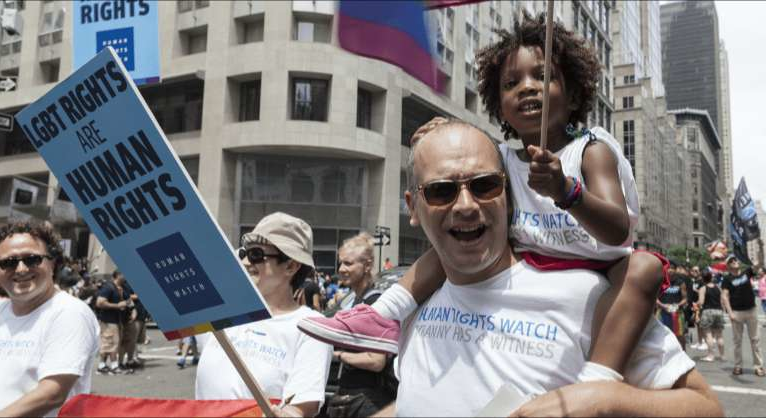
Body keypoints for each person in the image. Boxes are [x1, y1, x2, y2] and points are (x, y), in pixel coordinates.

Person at [300, 11, 667, 383]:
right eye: (511, 83)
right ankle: (385, 314)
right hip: (527, 264)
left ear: (573, 94)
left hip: (599, 267)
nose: (527, 87)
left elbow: (617, 230)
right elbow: (473, 160)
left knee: (644, 268)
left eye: (543, 76)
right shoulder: (504, 160)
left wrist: (566, 191)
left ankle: (600, 379)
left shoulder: (590, 150)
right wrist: (452, 132)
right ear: (498, 103)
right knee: (460, 237)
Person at [344, 114, 719, 415]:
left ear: (507, 195)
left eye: (484, 185)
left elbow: (705, 408)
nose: (465, 205)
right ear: (412, 207)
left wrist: (603, 400)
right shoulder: (416, 302)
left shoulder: (591, 298)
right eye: (442, 191)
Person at [195, 212, 332, 418]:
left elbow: (301, 406)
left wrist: (288, 414)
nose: (246, 262)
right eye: (244, 253)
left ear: (291, 266)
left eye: (256, 255)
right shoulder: (222, 313)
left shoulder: (311, 327)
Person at [0, 221, 99, 416]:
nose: (21, 269)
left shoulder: (69, 313)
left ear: (52, 263)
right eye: (8, 262)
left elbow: (51, 394)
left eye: (32, 259)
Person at [326, 233, 397, 417]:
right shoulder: (355, 300)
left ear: (367, 266)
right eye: (341, 263)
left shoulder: (375, 303)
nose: (341, 269)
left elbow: (376, 360)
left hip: (367, 401)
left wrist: (339, 355)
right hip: (352, 396)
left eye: (348, 263)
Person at [721, 255, 764, 376]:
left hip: (751, 310)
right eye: (731, 261)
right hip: (737, 313)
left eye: (735, 260)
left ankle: (758, 366)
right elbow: (724, 296)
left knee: (755, 340)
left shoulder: (746, 273)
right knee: (737, 342)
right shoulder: (727, 279)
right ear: (728, 266)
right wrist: (730, 313)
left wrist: (759, 251)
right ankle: (738, 365)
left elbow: (757, 265)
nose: (735, 261)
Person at [94, 270, 132, 375]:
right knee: (112, 343)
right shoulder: (108, 287)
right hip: (108, 320)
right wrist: (117, 306)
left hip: (116, 320)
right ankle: (113, 366)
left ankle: (103, 366)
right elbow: (99, 303)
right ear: (118, 275)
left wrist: (129, 306)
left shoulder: (120, 287)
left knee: (109, 343)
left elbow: (126, 300)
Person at [656, 263, 688, 349]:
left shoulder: (680, 283)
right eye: (668, 268)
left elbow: (685, 299)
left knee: (680, 335)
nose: (670, 270)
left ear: (676, 270)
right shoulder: (661, 282)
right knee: (661, 335)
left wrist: (677, 305)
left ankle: (683, 353)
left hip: (677, 313)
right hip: (662, 312)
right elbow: (655, 298)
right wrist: (663, 305)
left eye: (673, 268)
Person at [697, 270, 724, 362]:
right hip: (719, 311)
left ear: (703, 279)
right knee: (719, 335)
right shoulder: (718, 288)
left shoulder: (703, 288)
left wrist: (696, 304)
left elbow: (701, 302)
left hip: (707, 311)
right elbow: (722, 301)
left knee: (708, 335)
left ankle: (710, 356)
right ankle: (722, 355)